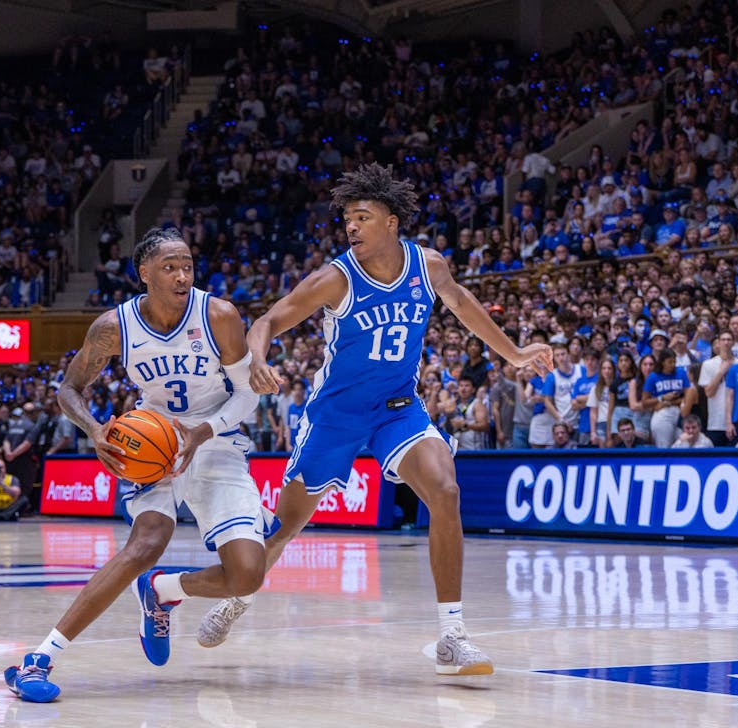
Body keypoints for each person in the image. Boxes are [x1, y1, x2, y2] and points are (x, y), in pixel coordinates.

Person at [196, 164, 552, 675]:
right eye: (347, 220)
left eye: (362, 217)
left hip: (398, 410)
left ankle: (452, 634)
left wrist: (514, 353)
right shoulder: (334, 278)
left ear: (392, 222)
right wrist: (257, 356)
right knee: (285, 529)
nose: (352, 228)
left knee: (445, 492)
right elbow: (270, 319)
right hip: (335, 417)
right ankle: (238, 597)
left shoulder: (428, 265)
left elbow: (463, 304)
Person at [3, 227, 275, 704]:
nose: (182, 275)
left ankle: (163, 590)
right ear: (144, 273)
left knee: (248, 574)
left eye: (187, 265)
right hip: (153, 443)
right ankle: (39, 659)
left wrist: (201, 432)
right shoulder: (114, 327)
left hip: (214, 438)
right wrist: (93, 429)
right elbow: (69, 390)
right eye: (169, 267)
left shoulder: (218, 315)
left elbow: (248, 392)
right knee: (145, 543)